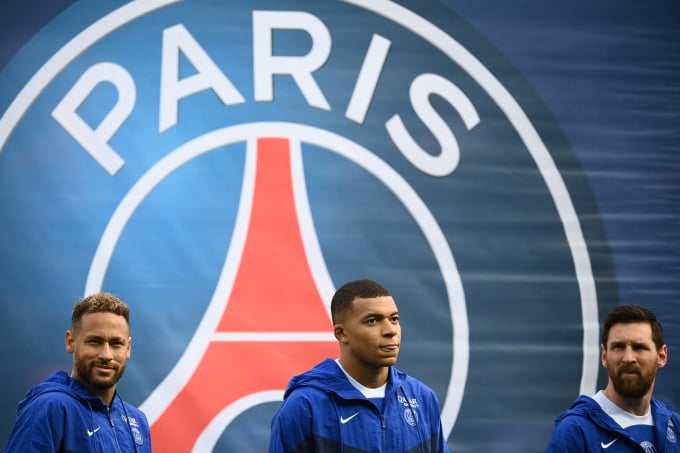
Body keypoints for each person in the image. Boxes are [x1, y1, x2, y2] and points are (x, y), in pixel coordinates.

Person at [268, 279, 450, 453]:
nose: (390, 330)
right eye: (372, 320)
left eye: (394, 319)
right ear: (341, 333)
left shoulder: (421, 398)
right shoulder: (305, 406)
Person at [4, 292, 152, 452]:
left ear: (128, 348)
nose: (106, 355)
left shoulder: (137, 420)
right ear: (70, 342)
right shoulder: (49, 408)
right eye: (95, 342)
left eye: (116, 343)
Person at [546, 304, 680, 452]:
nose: (628, 358)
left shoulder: (675, 427)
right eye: (618, 347)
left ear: (661, 356)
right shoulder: (576, 432)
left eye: (639, 347)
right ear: (604, 356)